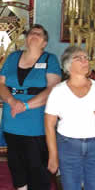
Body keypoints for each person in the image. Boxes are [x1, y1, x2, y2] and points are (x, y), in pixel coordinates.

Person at [45, 46, 95, 190]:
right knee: (70, 187)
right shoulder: (58, 91)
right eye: (78, 58)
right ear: (68, 65)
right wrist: (53, 155)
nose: (84, 61)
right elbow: (49, 125)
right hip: (67, 146)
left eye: (86, 58)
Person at [0, 24, 61, 190]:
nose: (34, 35)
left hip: (36, 123)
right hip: (12, 119)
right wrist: (13, 102)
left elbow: (52, 89)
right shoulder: (13, 57)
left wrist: (25, 105)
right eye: (31, 33)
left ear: (44, 43)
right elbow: (1, 84)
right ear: (26, 39)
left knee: (37, 167)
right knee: (15, 165)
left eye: (39, 34)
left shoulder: (50, 59)